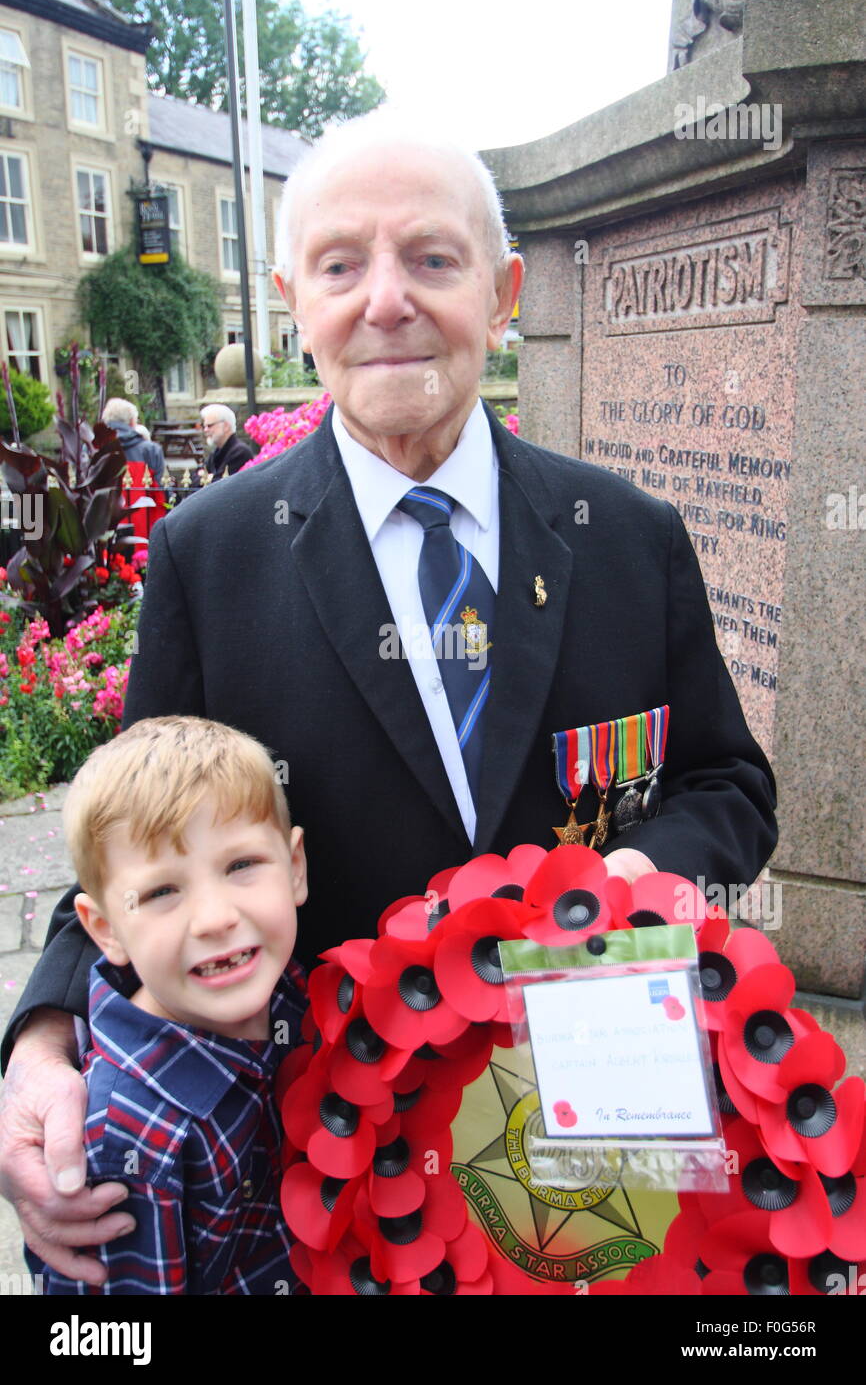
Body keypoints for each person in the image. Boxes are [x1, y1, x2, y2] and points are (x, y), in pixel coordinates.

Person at [0, 110, 776, 1286]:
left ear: (502, 288)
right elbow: (127, 845)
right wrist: (43, 1041)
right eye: (339, 265)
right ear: (290, 299)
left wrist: (631, 877)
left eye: (431, 258)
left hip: (590, 1122)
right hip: (330, 1172)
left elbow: (727, 783)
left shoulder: (625, 537)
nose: (385, 301)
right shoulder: (213, 557)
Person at [23, 715, 307, 1294]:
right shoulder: (124, 1143)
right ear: (105, 930)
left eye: (241, 865)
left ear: (295, 867)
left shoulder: (287, 990)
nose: (216, 918)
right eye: (161, 892)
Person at [102, 398, 165, 484]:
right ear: (132, 422)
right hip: (141, 496)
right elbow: (160, 487)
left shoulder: (94, 448)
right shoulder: (151, 450)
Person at [201, 404, 254, 478]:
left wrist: (207, 477)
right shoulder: (216, 452)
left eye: (210, 426)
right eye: (204, 426)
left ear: (226, 426)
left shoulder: (240, 452)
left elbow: (220, 483)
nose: (205, 430)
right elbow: (194, 479)